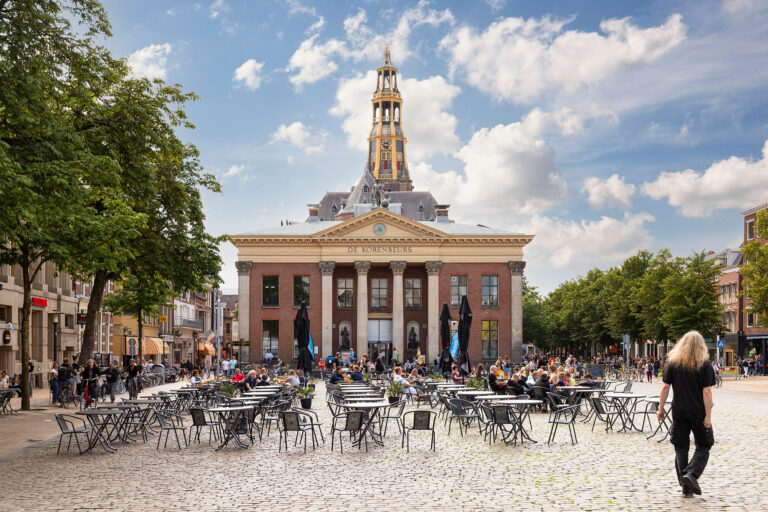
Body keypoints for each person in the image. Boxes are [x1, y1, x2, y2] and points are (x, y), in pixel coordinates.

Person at [658, 331, 715, 498]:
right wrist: (708, 417)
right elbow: (706, 393)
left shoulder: (672, 364)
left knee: (681, 448)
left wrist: (660, 409)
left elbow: (664, 388)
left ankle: (686, 488)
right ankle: (691, 474)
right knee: (704, 445)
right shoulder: (705, 365)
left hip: (679, 412)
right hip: (698, 412)